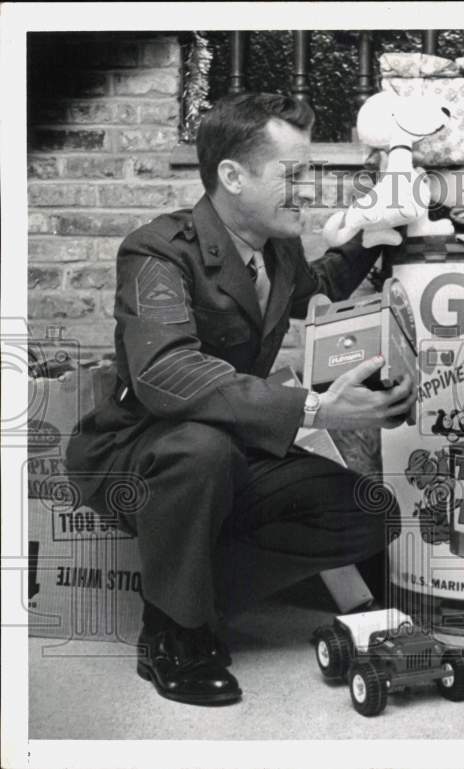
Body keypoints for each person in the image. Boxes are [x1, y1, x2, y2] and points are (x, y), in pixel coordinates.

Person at [65, 93, 416, 706]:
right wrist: (317, 409)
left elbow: (318, 287)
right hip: (141, 450)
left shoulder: (275, 251)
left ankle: (188, 592)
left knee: (368, 510)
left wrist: (377, 233)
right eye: (294, 175)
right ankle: (173, 632)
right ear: (233, 175)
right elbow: (166, 371)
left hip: (231, 450)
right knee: (203, 451)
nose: (308, 191)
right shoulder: (156, 250)